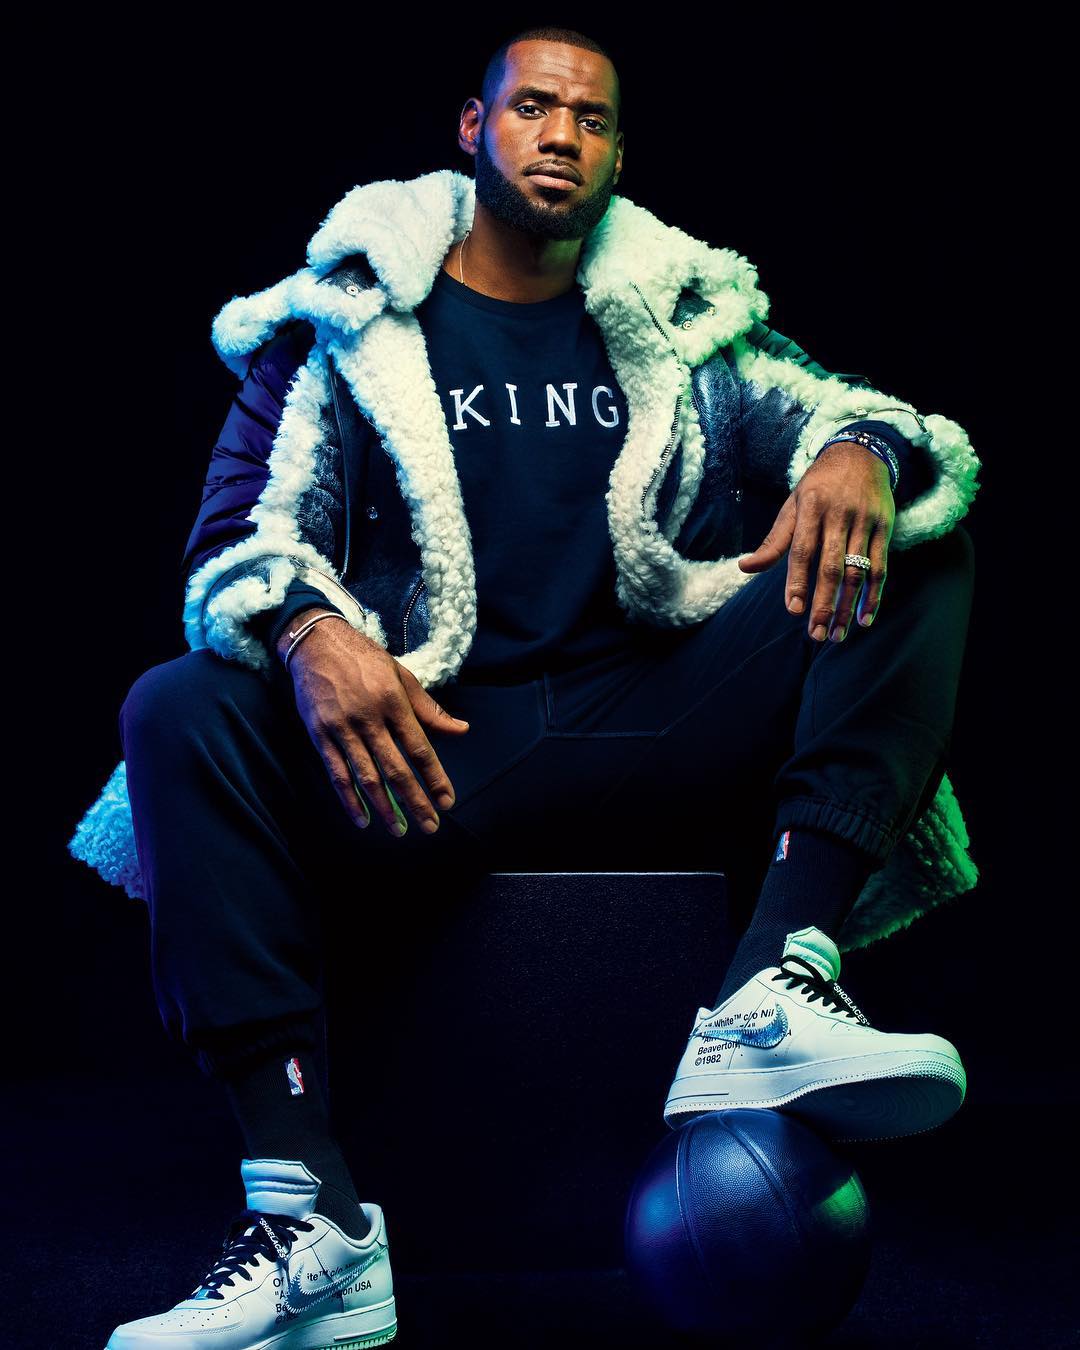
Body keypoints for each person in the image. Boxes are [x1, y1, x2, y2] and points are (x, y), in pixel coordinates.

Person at [72, 25, 981, 1349]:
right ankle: (312, 1224)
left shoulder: (682, 317)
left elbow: (847, 411)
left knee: (916, 529)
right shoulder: (347, 321)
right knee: (174, 705)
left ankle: (773, 985)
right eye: (534, 108)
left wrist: (861, 450)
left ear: (616, 152)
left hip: (647, 717)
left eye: (592, 119)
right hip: (434, 747)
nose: (562, 136)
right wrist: (311, 627)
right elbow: (230, 536)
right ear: (473, 127)